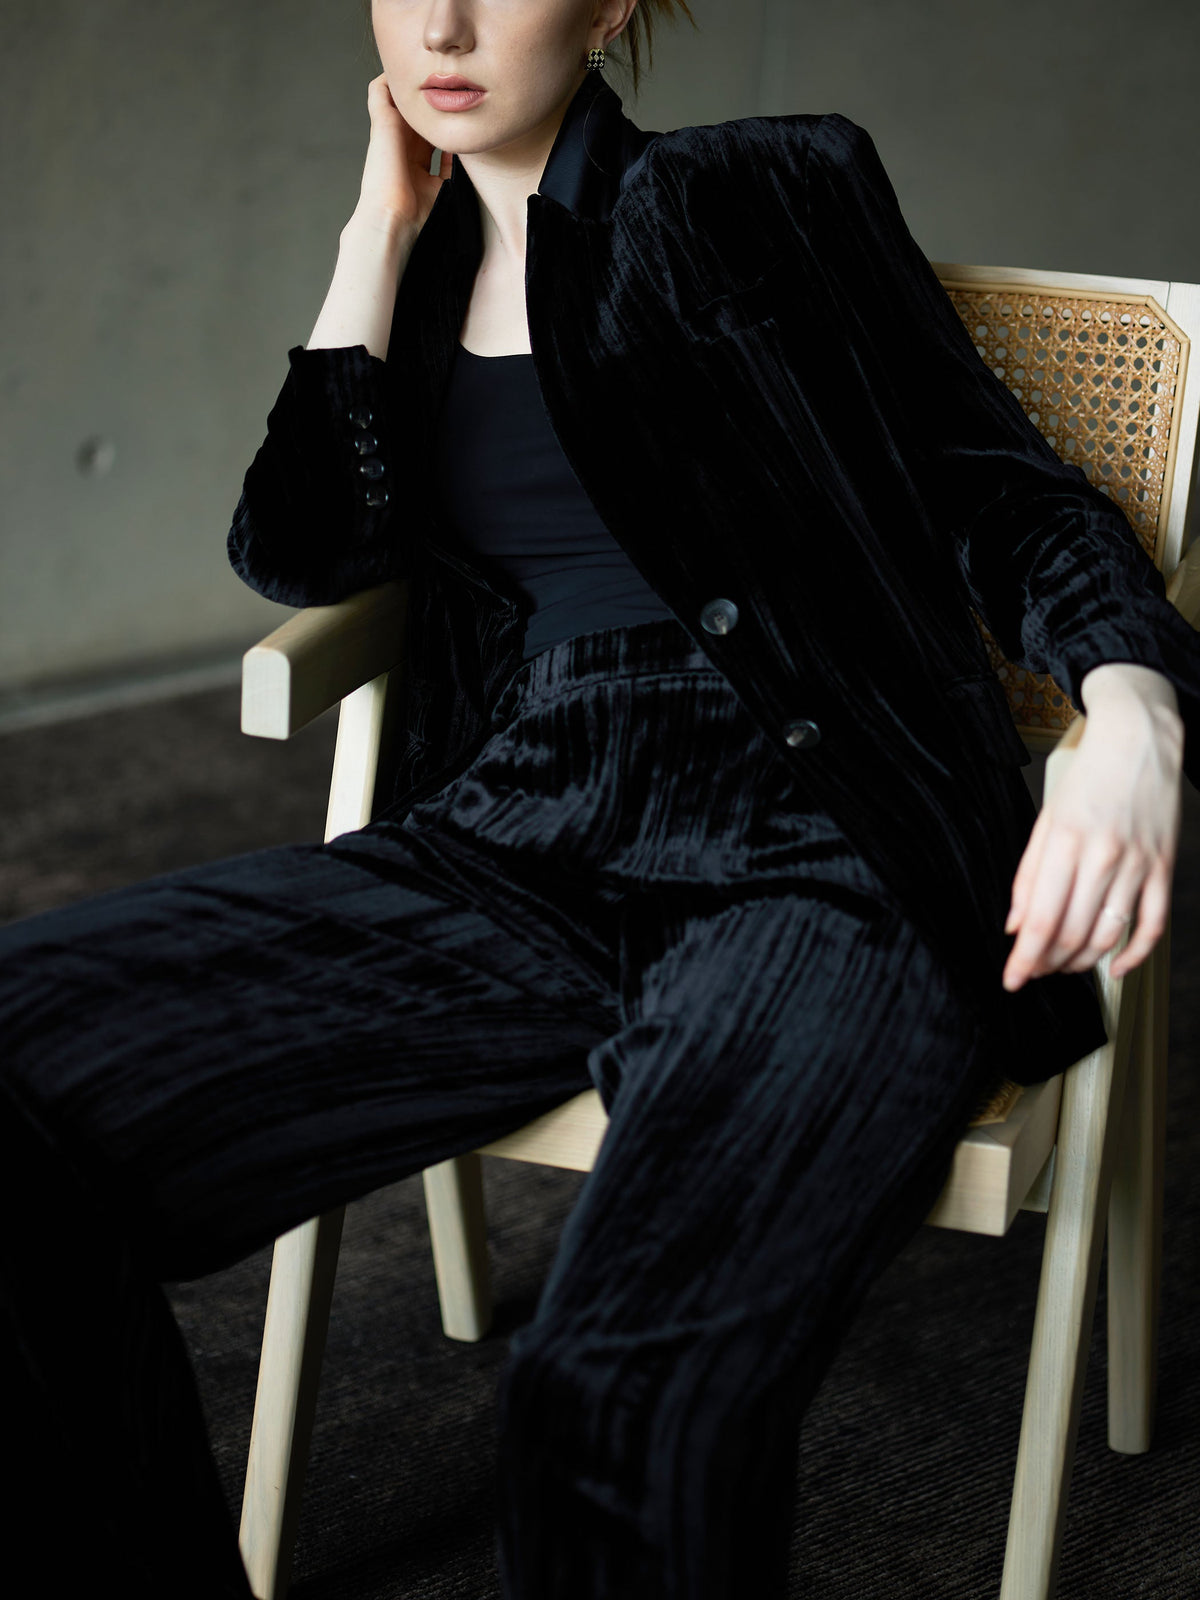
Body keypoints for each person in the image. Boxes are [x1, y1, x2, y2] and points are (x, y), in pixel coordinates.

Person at [2, 2, 1197, 1597]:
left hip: (820, 845)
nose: (443, 25)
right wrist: (375, 233)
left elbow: (1004, 495)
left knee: (616, 1394)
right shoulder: (420, 278)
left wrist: (1134, 710)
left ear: (614, 4)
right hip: (516, 837)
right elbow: (299, 551)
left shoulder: (765, 185)